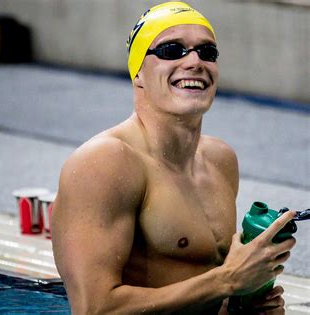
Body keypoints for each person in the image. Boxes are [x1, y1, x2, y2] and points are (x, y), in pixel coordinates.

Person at [51, 2, 297, 314]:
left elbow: (201, 293)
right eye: (172, 50)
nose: (195, 61)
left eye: (207, 53)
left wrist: (242, 304)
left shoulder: (221, 159)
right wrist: (228, 281)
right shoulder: (105, 163)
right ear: (138, 72)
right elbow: (94, 308)